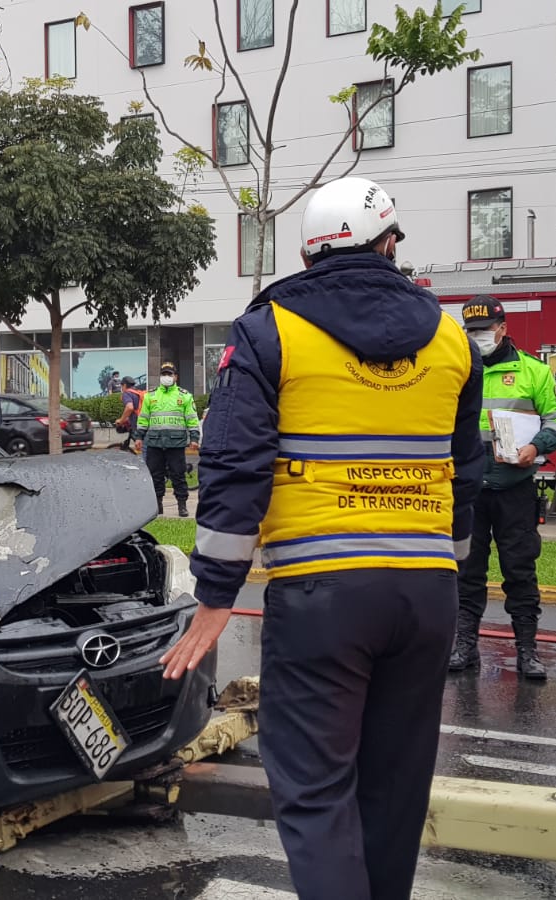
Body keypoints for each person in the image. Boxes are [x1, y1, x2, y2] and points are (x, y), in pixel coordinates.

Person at [159, 175, 485, 900]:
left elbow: (234, 465)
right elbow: (467, 473)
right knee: (395, 791)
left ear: (309, 255)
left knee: (315, 790)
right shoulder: (453, 336)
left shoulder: (271, 331)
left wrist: (215, 597)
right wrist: (454, 573)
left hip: (322, 592)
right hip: (426, 590)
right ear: (390, 244)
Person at [450, 296, 556, 680]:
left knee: (520, 570)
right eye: (471, 331)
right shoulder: (457, 369)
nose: (477, 337)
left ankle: (527, 650)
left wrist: (536, 447)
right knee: (467, 570)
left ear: (503, 328)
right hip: (469, 490)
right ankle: (464, 645)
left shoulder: (534, 371)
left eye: (484, 330)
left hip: (514, 488)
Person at [133, 361, 199, 517]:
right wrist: (139, 437)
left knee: (178, 474)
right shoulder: (151, 396)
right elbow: (143, 418)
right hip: (155, 442)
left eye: (170, 374)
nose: (166, 377)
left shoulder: (185, 396)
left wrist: (194, 438)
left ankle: (182, 505)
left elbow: (192, 419)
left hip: (175, 443)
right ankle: (158, 505)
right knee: (155, 475)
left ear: (176, 376)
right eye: (164, 374)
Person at [114, 376, 145, 454]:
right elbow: (137, 410)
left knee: (143, 449)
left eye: (121, 386)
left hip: (137, 426)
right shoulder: (139, 393)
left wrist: (121, 421)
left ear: (124, 385)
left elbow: (130, 407)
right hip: (144, 423)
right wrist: (128, 419)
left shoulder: (127, 393)